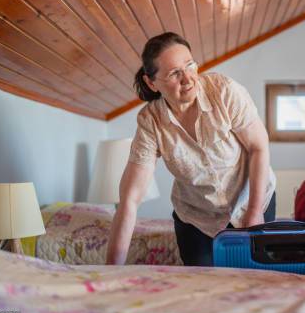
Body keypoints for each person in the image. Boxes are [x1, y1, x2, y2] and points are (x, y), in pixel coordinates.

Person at [106, 32, 276, 266]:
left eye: (190, 65)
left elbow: (258, 147)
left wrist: (255, 212)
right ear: (151, 82)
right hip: (196, 218)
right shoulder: (150, 122)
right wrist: (111, 270)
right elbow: (130, 199)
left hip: (253, 198)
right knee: (201, 286)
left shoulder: (224, 91)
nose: (188, 79)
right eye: (175, 73)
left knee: (257, 276)